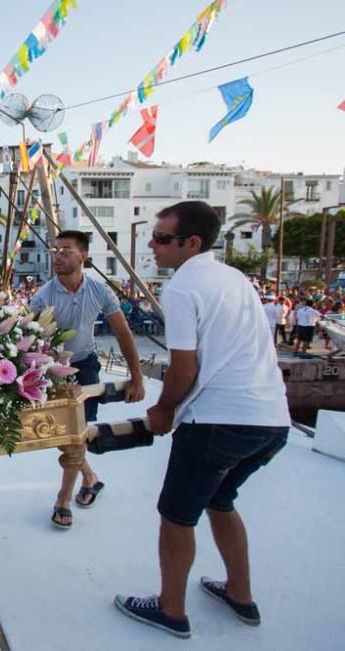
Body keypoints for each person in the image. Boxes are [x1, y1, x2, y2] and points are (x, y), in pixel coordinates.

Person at [115, 202, 290, 639]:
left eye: (161, 238)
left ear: (191, 243)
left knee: (177, 515)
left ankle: (171, 610)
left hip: (218, 421)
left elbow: (184, 369)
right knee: (221, 499)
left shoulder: (182, 288)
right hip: (272, 420)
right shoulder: (235, 279)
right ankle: (240, 594)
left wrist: (163, 410)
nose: (152, 246)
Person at [30, 230, 145, 530]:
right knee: (65, 435)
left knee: (75, 434)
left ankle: (63, 500)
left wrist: (136, 376)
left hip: (86, 365)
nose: (58, 255)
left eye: (65, 250)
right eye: (55, 250)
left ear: (83, 256)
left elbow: (123, 333)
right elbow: (27, 338)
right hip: (54, 369)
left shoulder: (100, 292)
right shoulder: (43, 296)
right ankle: (90, 477)